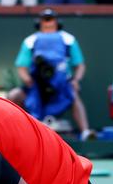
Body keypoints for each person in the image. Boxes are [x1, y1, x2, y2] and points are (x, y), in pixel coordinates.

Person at [7, 8, 92, 140]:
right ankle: (12, 132)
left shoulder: (68, 39)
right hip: (36, 86)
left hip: (62, 85)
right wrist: (28, 80)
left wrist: (76, 80)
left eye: (51, 19)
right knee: (14, 95)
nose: (48, 22)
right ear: (39, 22)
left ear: (57, 22)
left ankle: (85, 132)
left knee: (74, 95)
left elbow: (80, 65)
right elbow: (21, 67)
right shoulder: (30, 41)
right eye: (45, 19)